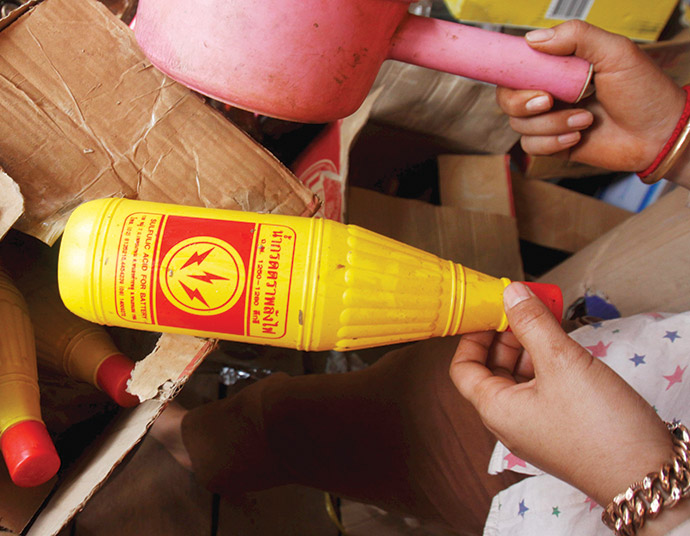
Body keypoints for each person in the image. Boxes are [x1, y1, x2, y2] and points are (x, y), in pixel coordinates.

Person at [149, 21, 690, 536]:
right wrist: (676, 140)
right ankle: (218, 439)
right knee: (393, 399)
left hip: (586, 486)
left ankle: (199, 444)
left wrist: (639, 480)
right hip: (626, 369)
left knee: (376, 429)